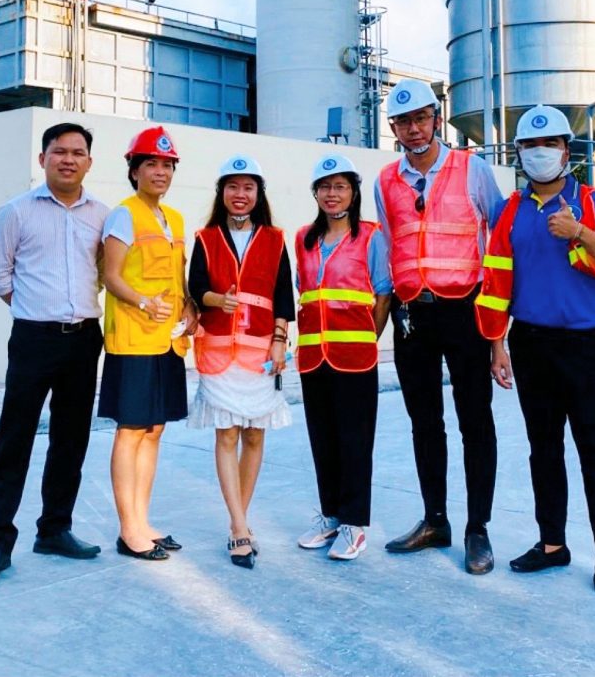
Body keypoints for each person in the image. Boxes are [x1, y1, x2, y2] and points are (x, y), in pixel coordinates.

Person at [476, 104, 595, 594]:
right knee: (543, 449)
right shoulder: (511, 210)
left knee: (594, 445)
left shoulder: (593, 203)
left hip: (583, 344)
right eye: (530, 145)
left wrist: (580, 233)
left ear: (567, 151)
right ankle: (552, 544)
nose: (539, 153)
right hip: (530, 342)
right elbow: (497, 281)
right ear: (518, 153)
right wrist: (497, 344)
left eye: (549, 144)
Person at [0, 122, 109, 586]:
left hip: (84, 339)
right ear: (42, 158)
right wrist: (33, 309)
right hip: (33, 339)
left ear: (89, 161)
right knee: (15, 439)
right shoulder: (17, 211)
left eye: (77, 152)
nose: (68, 159)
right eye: (59, 151)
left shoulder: (103, 215)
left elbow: (106, 271)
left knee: (71, 438)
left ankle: (54, 530)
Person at [375, 78, 503, 574]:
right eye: (403, 122)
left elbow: (500, 246)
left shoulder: (473, 170)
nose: (413, 129)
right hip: (412, 314)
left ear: (437, 118)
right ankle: (435, 521)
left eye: (421, 118)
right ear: (393, 128)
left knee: (475, 421)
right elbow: (390, 248)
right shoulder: (386, 181)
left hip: (465, 310)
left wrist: (498, 332)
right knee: (424, 421)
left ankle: (477, 529)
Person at [187, 155, 295, 569]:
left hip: (261, 352)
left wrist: (279, 341)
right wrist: (216, 299)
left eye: (248, 187)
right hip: (219, 353)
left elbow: (283, 295)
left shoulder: (275, 239)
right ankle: (238, 526)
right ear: (222, 193)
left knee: (254, 436)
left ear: (258, 194)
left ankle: (241, 519)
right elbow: (195, 286)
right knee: (227, 434)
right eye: (233, 187)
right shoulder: (206, 238)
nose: (240, 194)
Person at [97, 125, 199, 561]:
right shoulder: (124, 215)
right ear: (134, 170)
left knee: (154, 430)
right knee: (131, 430)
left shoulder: (174, 219)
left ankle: (142, 521)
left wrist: (191, 308)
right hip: (134, 340)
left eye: (167, 165)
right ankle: (128, 530)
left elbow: (178, 276)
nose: (160, 172)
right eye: (151, 164)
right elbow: (111, 275)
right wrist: (143, 301)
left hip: (168, 342)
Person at [295, 155, 392, 561]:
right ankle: (332, 515)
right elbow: (304, 292)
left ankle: (354, 524)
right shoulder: (304, 238)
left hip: (355, 357)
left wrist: (368, 337)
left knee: (354, 440)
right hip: (313, 356)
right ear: (315, 193)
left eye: (340, 186)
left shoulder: (371, 237)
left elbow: (383, 295)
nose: (331, 194)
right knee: (323, 439)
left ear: (353, 192)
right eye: (324, 187)